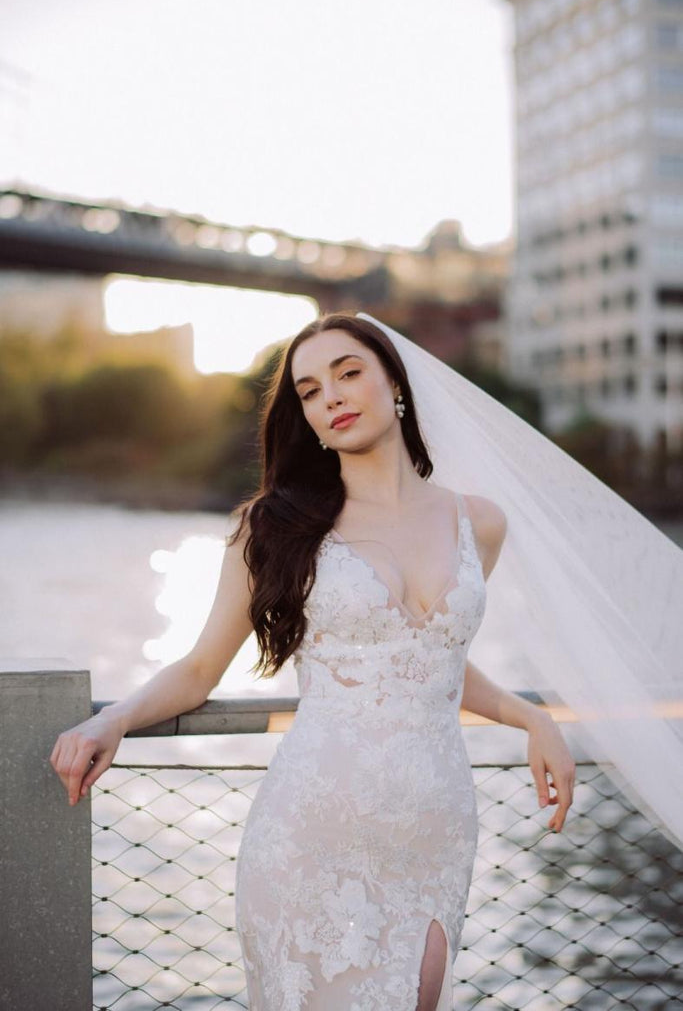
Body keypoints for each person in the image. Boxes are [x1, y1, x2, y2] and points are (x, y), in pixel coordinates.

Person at [50, 311, 576, 1011]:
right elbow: (201, 669)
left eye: (348, 372)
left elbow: (436, 665)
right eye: (308, 389)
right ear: (305, 417)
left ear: (394, 382)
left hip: (433, 829)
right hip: (312, 831)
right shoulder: (274, 528)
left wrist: (528, 716)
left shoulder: (477, 522)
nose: (330, 394)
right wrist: (110, 720)